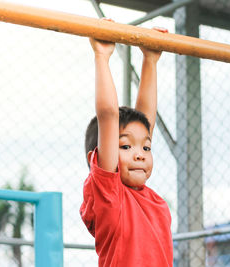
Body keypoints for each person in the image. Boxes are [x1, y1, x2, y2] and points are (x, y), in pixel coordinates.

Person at [80, 20, 173, 267]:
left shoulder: (151, 200)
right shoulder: (109, 197)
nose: (140, 154)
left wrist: (150, 61)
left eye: (146, 148)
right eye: (124, 146)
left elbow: (145, 124)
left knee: (137, 130)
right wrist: (102, 56)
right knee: (125, 129)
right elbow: (109, 116)